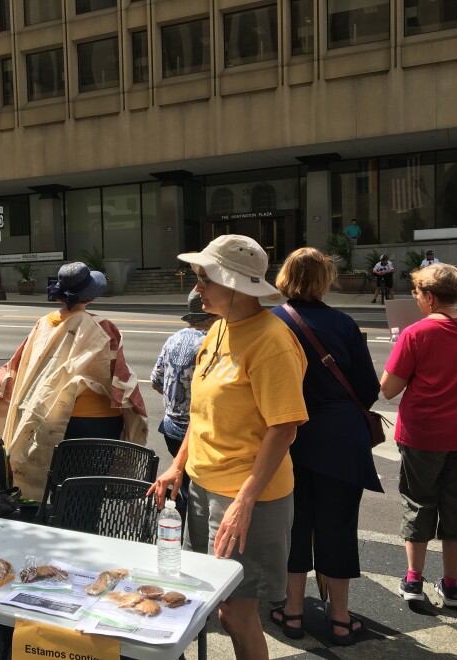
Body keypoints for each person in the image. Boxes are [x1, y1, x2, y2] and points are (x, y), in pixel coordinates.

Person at [148, 235, 308, 660]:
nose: (196, 288)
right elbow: (202, 414)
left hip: (248, 498)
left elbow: (284, 428)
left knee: (238, 615)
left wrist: (244, 502)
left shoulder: (272, 341)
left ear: (234, 284)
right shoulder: (219, 328)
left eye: (204, 279)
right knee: (216, 604)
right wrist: (177, 466)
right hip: (204, 488)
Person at [269, 248, 382, 646]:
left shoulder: (272, 322)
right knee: (338, 526)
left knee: (295, 525)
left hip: (288, 436)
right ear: (326, 280)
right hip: (341, 437)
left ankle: (293, 612)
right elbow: (368, 389)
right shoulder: (344, 323)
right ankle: (339, 619)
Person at [381, 263, 457, 608]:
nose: (416, 298)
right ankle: (451, 586)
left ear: (430, 297)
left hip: (423, 435)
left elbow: (388, 389)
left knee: (419, 502)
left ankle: (412, 580)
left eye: (417, 292)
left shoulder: (415, 333)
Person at [0, 262, 148, 501]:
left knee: (58, 485)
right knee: (88, 491)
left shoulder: (43, 324)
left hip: (52, 417)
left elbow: (20, 365)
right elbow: (119, 378)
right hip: (96, 422)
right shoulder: (101, 327)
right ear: (89, 296)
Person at [150, 290, 218, 518]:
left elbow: (156, 381)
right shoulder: (213, 342)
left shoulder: (174, 338)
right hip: (195, 433)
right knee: (200, 493)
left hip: (170, 429)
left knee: (186, 486)